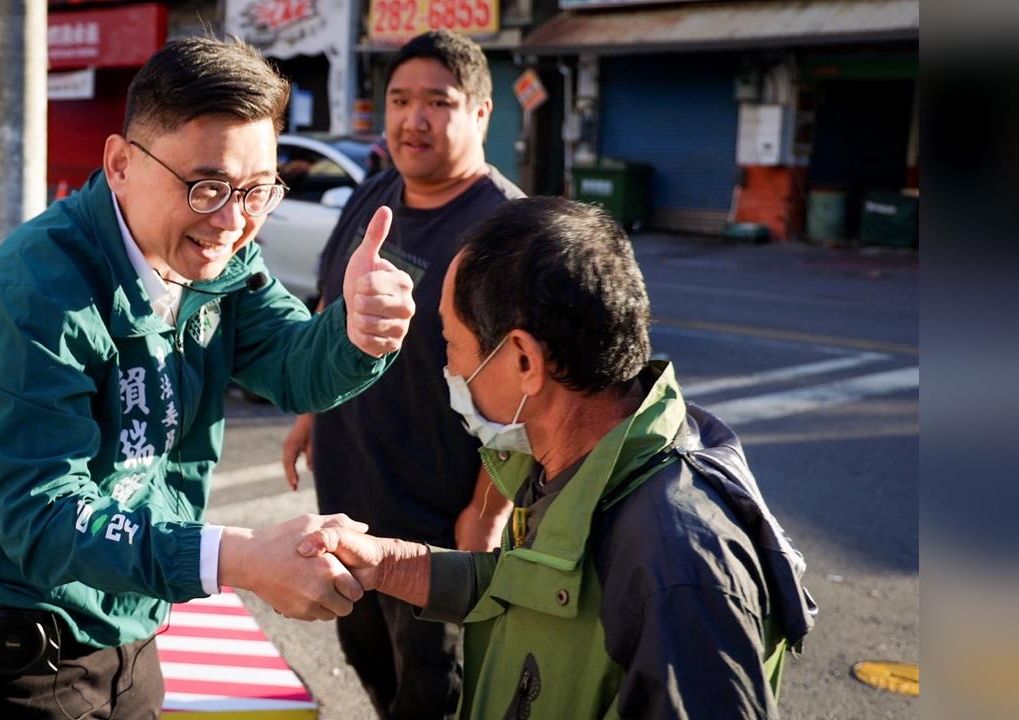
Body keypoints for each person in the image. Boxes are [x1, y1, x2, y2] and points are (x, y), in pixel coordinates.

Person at [0, 37, 415, 719]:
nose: (233, 222)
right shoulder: (31, 292)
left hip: (134, 616)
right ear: (121, 164)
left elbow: (293, 366)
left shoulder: (223, 262)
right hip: (22, 636)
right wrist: (238, 559)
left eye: (257, 191)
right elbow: (43, 516)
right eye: (206, 186)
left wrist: (356, 333)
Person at [299, 197, 818, 719]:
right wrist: (386, 565)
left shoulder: (679, 566)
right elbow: (530, 591)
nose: (448, 367)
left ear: (525, 361)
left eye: (451, 343)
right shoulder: (574, 464)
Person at [280, 30, 523, 719]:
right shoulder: (379, 189)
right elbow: (333, 298)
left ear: (480, 113)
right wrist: (308, 408)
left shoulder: (506, 230)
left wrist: (484, 518)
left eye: (437, 102)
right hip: (351, 503)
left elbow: (529, 399)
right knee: (369, 666)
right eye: (399, 99)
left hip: (435, 535)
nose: (413, 118)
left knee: (432, 694)